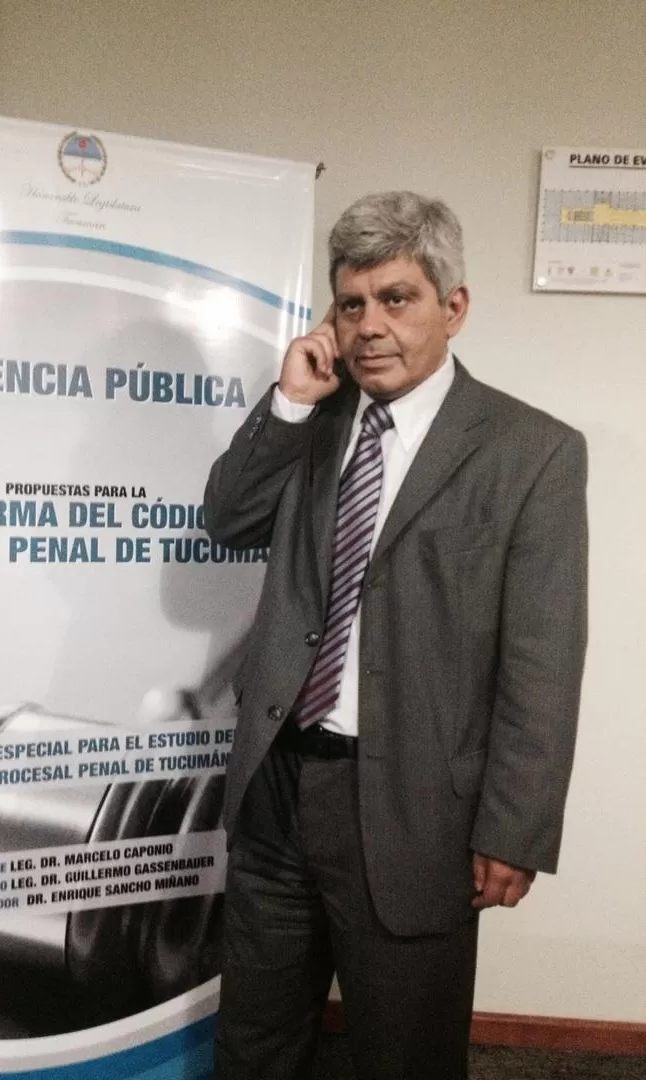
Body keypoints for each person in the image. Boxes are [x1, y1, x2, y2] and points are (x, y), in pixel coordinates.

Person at [203, 191, 588, 1080]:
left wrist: (516, 826)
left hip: (418, 809)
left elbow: (543, 655)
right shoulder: (314, 421)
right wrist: (291, 403)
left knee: (405, 1054)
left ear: (453, 307)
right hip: (276, 787)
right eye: (352, 303)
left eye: (397, 299)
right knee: (254, 1044)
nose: (370, 326)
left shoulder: (532, 452)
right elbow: (227, 520)